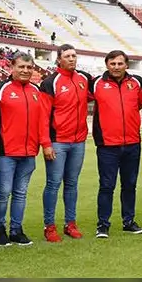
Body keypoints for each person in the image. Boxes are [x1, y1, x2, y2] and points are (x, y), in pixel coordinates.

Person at [0, 52, 49, 246]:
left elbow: (42, 120)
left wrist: (44, 144)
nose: (25, 71)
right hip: (5, 152)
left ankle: (16, 229)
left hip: (29, 152)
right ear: (11, 68)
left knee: (21, 193)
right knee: (3, 191)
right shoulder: (0, 89)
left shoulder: (35, 90)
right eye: (21, 67)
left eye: (29, 67)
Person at [89, 50, 142, 238]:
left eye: (120, 63)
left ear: (126, 65)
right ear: (107, 64)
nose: (116, 67)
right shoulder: (96, 83)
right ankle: (103, 225)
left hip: (132, 143)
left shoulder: (136, 83)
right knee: (107, 185)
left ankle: (128, 222)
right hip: (107, 145)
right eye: (112, 63)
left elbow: (140, 103)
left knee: (130, 185)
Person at [39, 44, 92, 242]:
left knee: (72, 184)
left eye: (74, 56)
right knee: (53, 184)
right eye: (67, 56)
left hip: (78, 141)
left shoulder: (83, 79)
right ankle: (49, 226)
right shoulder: (50, 82)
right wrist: (46, 143)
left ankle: (70, 223)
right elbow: (43, 116)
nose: (72, 59)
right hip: (58, 141)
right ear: (59, 59)